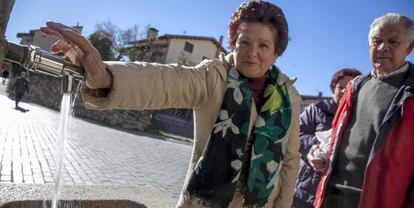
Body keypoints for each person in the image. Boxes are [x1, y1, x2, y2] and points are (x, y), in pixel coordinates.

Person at [41, 1, 301, 207]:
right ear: (234, 42)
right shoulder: (214, 76)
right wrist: (107, 76)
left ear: (277, 52)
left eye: (263, 45)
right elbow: (164, 81)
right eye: (244, 42)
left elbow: (289, 162)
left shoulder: (289, 96)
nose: (251, 52)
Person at [309, 13, 414, 208]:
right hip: (331, 196)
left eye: (393, 41)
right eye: (377, 41)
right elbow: (339, 136)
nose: (383, 47)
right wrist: (321, 152)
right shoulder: (355, 86)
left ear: (409, 47)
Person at [292, 68, 361, 208]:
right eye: (340, 87)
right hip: (305, 188)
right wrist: (316, 147)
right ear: (333, 88)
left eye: (349, 88)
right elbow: (295, 134)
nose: (344, 92)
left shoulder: (359, 118)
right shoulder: (316, 109)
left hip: (335, 194)